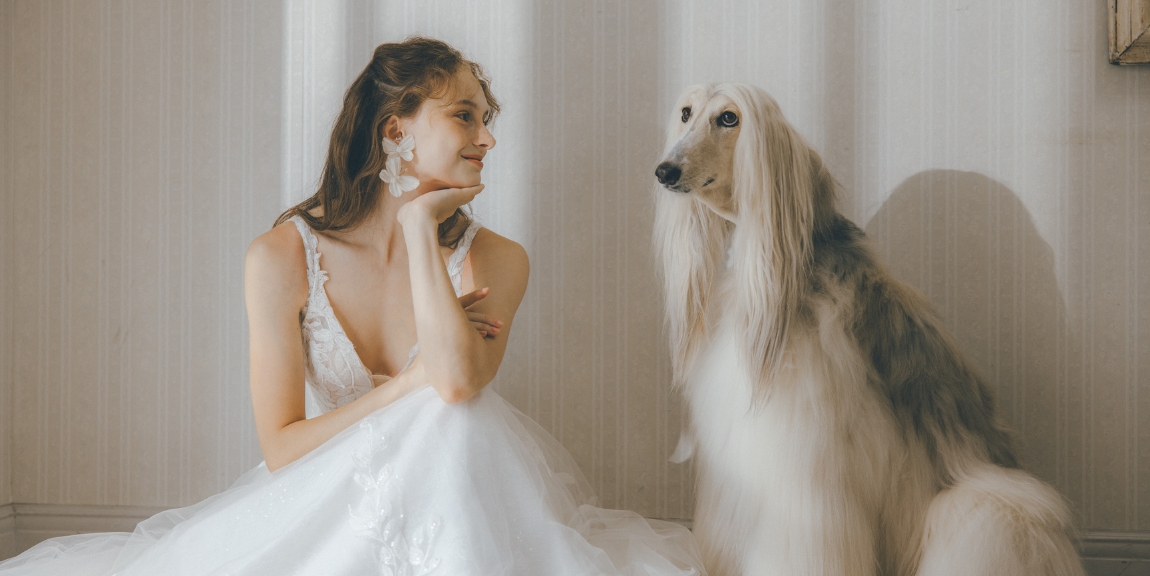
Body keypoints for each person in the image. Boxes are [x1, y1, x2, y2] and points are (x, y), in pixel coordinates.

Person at [0, 36, 705, 576]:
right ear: (395, 130)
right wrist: (402, 388)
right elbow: (281, 450)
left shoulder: (498, 259)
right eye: (466, 116)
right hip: (325, 506)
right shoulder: (279, 258)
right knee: (427, 403)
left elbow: (458, 383)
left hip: (459, 506)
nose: (488, 138)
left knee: (452, 415)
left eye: (487, 120)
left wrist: (419, 229)